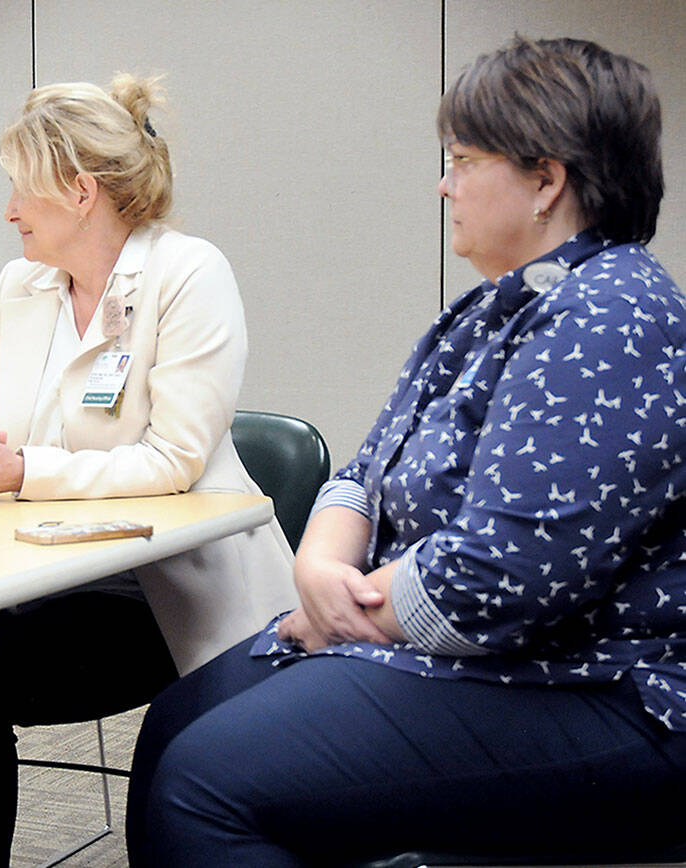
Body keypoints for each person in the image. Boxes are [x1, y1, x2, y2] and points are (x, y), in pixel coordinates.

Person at [128, 36, 686, 866]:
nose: (445, 183)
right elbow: (364, 472)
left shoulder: (613, 315)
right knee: (178, 723)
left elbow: (504, 576)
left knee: (203, 783)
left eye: (463, 160)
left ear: (545, 180)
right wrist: (319, 568)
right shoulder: (486, 312)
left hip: (600, 688)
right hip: (458, 645)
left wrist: (349, 617)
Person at [0, 74, 296, 866]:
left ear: (78, 190)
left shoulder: (188, 274)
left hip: (165, 593)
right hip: (41, 576)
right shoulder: (21, 287)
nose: (7, 212)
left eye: (18, 190)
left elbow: (173, 460)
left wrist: (21, 469)